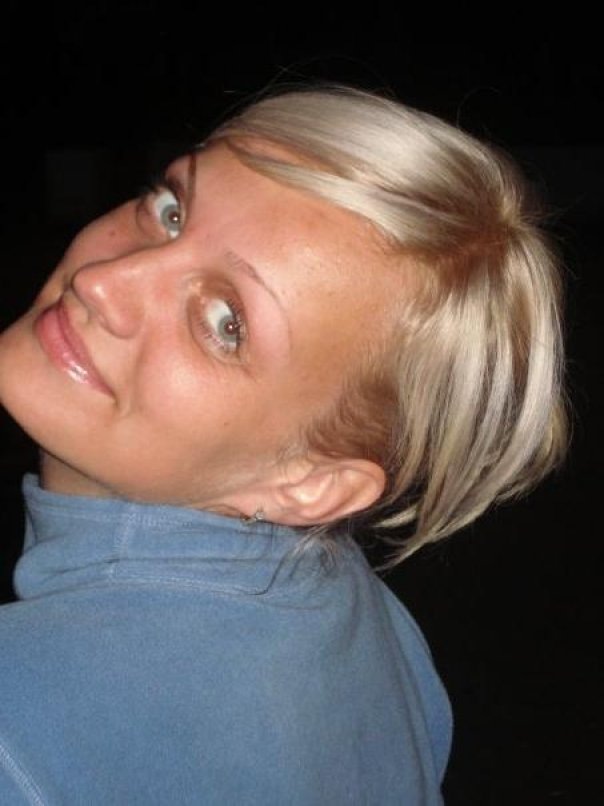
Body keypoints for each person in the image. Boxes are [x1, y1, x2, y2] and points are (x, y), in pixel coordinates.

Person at [0, 85, 566, 804]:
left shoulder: (21, 731)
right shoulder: (359, 621)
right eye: (172, 212)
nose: (101, 281)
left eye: (226, 323)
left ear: (310, 484)